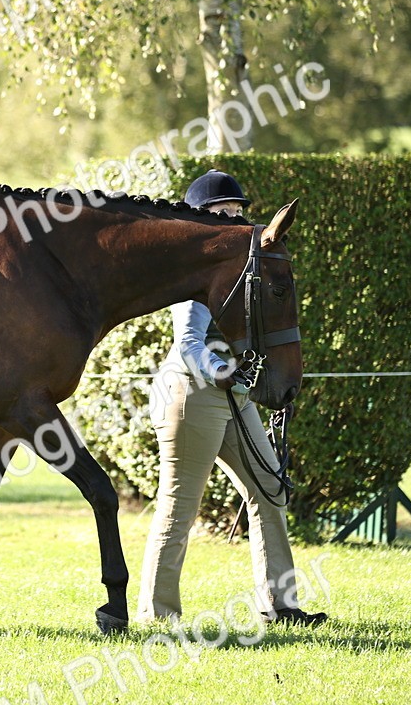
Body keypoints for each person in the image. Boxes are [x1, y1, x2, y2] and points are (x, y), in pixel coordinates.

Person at [137, 170, 328, 627]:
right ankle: (157, 616)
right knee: (179, 507)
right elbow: (188, 342)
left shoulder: (242, 265)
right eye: (223, 210)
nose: (234, 217)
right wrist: (222, 371)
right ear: (199, 218)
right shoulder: (196, 270)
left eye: (238, 210)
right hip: (192, 394)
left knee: (270, 491)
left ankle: (280, 606)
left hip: (235, 396)